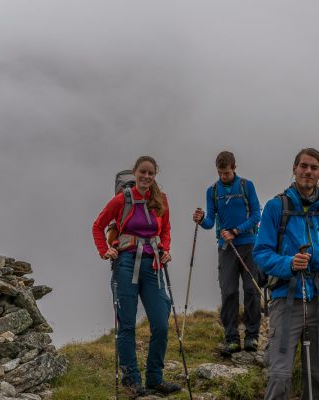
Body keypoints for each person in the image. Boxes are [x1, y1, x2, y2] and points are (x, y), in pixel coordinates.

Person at [253, 148, 319, 400]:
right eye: (303, 166)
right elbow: (261, 253)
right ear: (294, 169)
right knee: (279, 376)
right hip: (285, 296)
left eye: (313, 167)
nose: (308, 171)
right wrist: (289, 263)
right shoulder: (275, 207)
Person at [92, 156, 181, 397]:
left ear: (155, 175)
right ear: (135, 172)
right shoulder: (122, 199)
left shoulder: (161, 200)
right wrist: (105, 251)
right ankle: (132, 380)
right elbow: (98, 226)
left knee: (161, 324)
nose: (146, 177)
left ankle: (154, 379)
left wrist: (166, 248)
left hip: (152, 265)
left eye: (151, 173)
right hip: (126, 263)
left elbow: (166, 229)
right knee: (127, 325)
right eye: (143, 172)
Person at [192, 151, 262, 356]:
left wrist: (236, 231)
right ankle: (231, 338)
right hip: (226, 248)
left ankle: (252, 335)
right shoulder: (212, 191)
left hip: (248, 244)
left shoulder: (246, 185)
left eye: (227, 172)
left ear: (234, 168)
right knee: (229, 291)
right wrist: (201, 218)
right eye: (220, 173)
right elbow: (209, 223)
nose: (224, 176)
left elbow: (257, 214)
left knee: (251, 289)